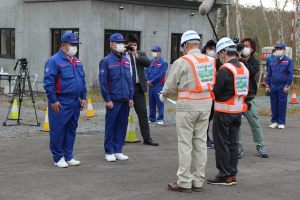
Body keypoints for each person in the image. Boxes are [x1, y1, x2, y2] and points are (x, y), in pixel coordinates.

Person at [160, 30, 216, 192]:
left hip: (187, 105)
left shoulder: (182, 61)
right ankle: (198, 181)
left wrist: (163, 95)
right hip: (205, 104)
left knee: (185, 143)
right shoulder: (210, 61)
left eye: (182, 46)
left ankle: (184, 181)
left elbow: (170, 84)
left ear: (185, 45)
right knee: (200, 142)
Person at [207, 37, 249, 186]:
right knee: (233, 144)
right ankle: (232, 174)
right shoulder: (243, 68)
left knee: (222, 144)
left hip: (223, 112)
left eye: (219, 54)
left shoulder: (225, 70)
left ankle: (224, 175)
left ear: (224, 53)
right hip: (237, 112)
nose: (219, 57)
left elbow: (216, 92)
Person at [44, 32, 87, 168]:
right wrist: (53, 100)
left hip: (75, 101)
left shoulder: (77, 61)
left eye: (76, 45)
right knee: (58, 129)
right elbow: (49, 83)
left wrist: (84, 97)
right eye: (72, 44)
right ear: (63, 45)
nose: (75, 47)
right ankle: (58, 157)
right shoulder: (54, 61)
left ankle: (68, 156)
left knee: (71, 130)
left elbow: (82, 80)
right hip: (61, 101)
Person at [99, 33, 134, 162]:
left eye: (122, 42)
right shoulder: (106, 61)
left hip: (125, 99)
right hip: (113, 100)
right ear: (111, 44)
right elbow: (103, 82)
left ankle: (118, 150)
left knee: (122, 125)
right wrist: (107, 99)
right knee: (111, 126)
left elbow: (129, 79)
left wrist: (131, 97)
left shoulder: (125, 60)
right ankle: (109, 151)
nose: (121, 45)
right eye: (118, 42)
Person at [237, 37, 269, 159]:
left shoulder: (254, 62)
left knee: (255, 124)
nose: (244, 48)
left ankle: (260, 146)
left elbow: (251, 72)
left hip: (249, 98)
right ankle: (238, 148)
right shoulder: (235, 61)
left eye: (246, 46)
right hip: (238, 98)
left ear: (252, 49)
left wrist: (242, 60)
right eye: (242, 46)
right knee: (236, 125)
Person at [125, 34, 159, 146]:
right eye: (131, 45)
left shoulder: (140, 54)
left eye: (135, 45)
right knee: (123, 115)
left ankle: (147, 138)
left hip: (138, 88)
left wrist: (136, 54)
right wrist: (126, 51)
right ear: (127, 45)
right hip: (125, 89)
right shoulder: (122, 55)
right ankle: (120, 138)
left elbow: (148, 63)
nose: (133, 47)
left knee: (143, 114)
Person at [266, 43, 294, 129]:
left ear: (284, 50)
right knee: (273, 104)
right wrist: (267, 85)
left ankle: (281, 122)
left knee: (282, 104)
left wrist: (287, 85)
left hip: (282, 86)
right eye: (277, 49)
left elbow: (290, 74)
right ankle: (274, 121)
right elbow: (269, 74)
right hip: (273, 86)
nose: (278, 50)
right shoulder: (273, 60)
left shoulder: (288, 61)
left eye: (280, 49)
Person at [201, 39, 218, 149]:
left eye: (213, 48)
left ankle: (208, 138)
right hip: (204, 94)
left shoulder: (218, 61)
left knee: (211, 117)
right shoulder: (203, 61)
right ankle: (204, 138)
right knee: (205, 119)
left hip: (215, 94)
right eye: (209, 48)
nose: (211, 50)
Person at [146, 45, 168, 125]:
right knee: (151, 103)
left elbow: (160, 75)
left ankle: (160, 119)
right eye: (153, 51)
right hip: (151, 86)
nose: (154, 53)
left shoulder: (163, 63)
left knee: (159, 102)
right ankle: (152, 118)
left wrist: (152, 81)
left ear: (159, 53)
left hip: (158, 86)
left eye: (156, 51)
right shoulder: (151, 62)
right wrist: (147, 80)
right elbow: (146, 71)